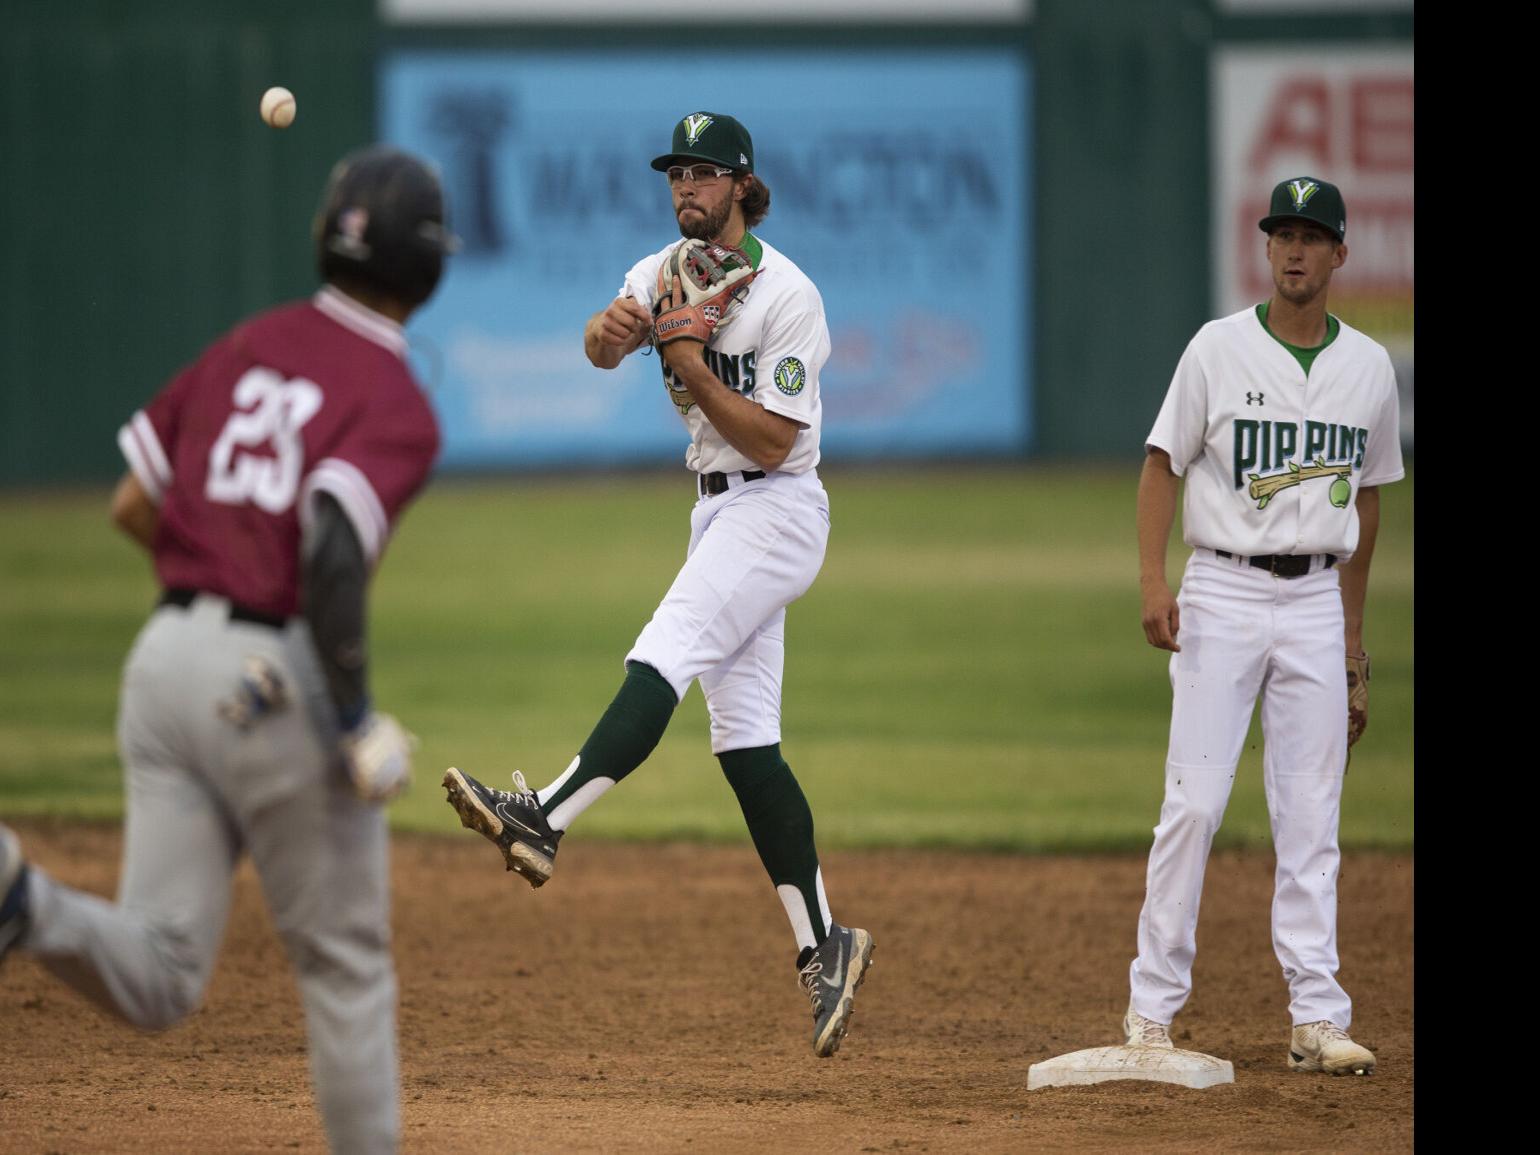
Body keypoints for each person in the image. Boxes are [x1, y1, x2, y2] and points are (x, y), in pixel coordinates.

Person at [0, 145, 454, 1151]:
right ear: (430, 267)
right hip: (272, 679)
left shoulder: (248, 342)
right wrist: (350, 718)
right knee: (344, 965)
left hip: (161, 663)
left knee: (161, 974)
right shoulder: (398, 401)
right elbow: (331, 553)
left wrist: (208, 574)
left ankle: (17, 898)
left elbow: (135, 500)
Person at [441, 110, 874, 1059]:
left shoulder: (789, 294)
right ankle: (826, 944)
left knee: (664, 650)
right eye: (677, 171)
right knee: (746, 742)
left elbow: (774, 440)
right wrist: (613, 329)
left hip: (779, 507)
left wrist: (684, 362)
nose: (687, 186)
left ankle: (544, 817)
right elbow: (600, 349)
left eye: (705, 173)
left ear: (742, 187)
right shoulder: (661, 269)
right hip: (716, 509)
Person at [1120, 177, 1403, 1075]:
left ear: (1339, 255)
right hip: (1225, 594)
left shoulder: (1368, 369)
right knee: (1195, 803)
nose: (1294, 250)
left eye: (1312, 236)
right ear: (1267, 246)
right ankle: (1150, 1011)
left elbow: (1366, 502)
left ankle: (1316, 1015)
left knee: (1312, 813)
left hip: (1317, 600)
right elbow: (1162, 463)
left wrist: (1354, 644)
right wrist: (1154, 578)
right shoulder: (1217, 349)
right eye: (1282, 232)